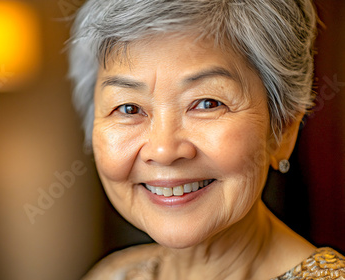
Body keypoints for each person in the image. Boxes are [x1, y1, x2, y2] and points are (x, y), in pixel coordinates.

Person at [67, 0, 345, 279]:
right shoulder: (112, 274)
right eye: (129, 108)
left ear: (283, 130)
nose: (164, 150)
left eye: (207, 103)